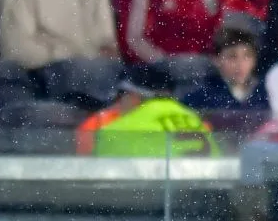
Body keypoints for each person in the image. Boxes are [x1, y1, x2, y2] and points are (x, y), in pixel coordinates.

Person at [80, 64, 220, 157]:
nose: (118, 102)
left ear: (133, 96)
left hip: (154, 199)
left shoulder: (114, 133)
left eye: (121, 94)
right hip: (209, 198)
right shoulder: (198, 122)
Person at [182, 27, 268, 111]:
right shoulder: (200, 98)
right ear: (216, 59)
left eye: (247, 56)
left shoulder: (266, 92)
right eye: (232, 56)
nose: (240, 64)